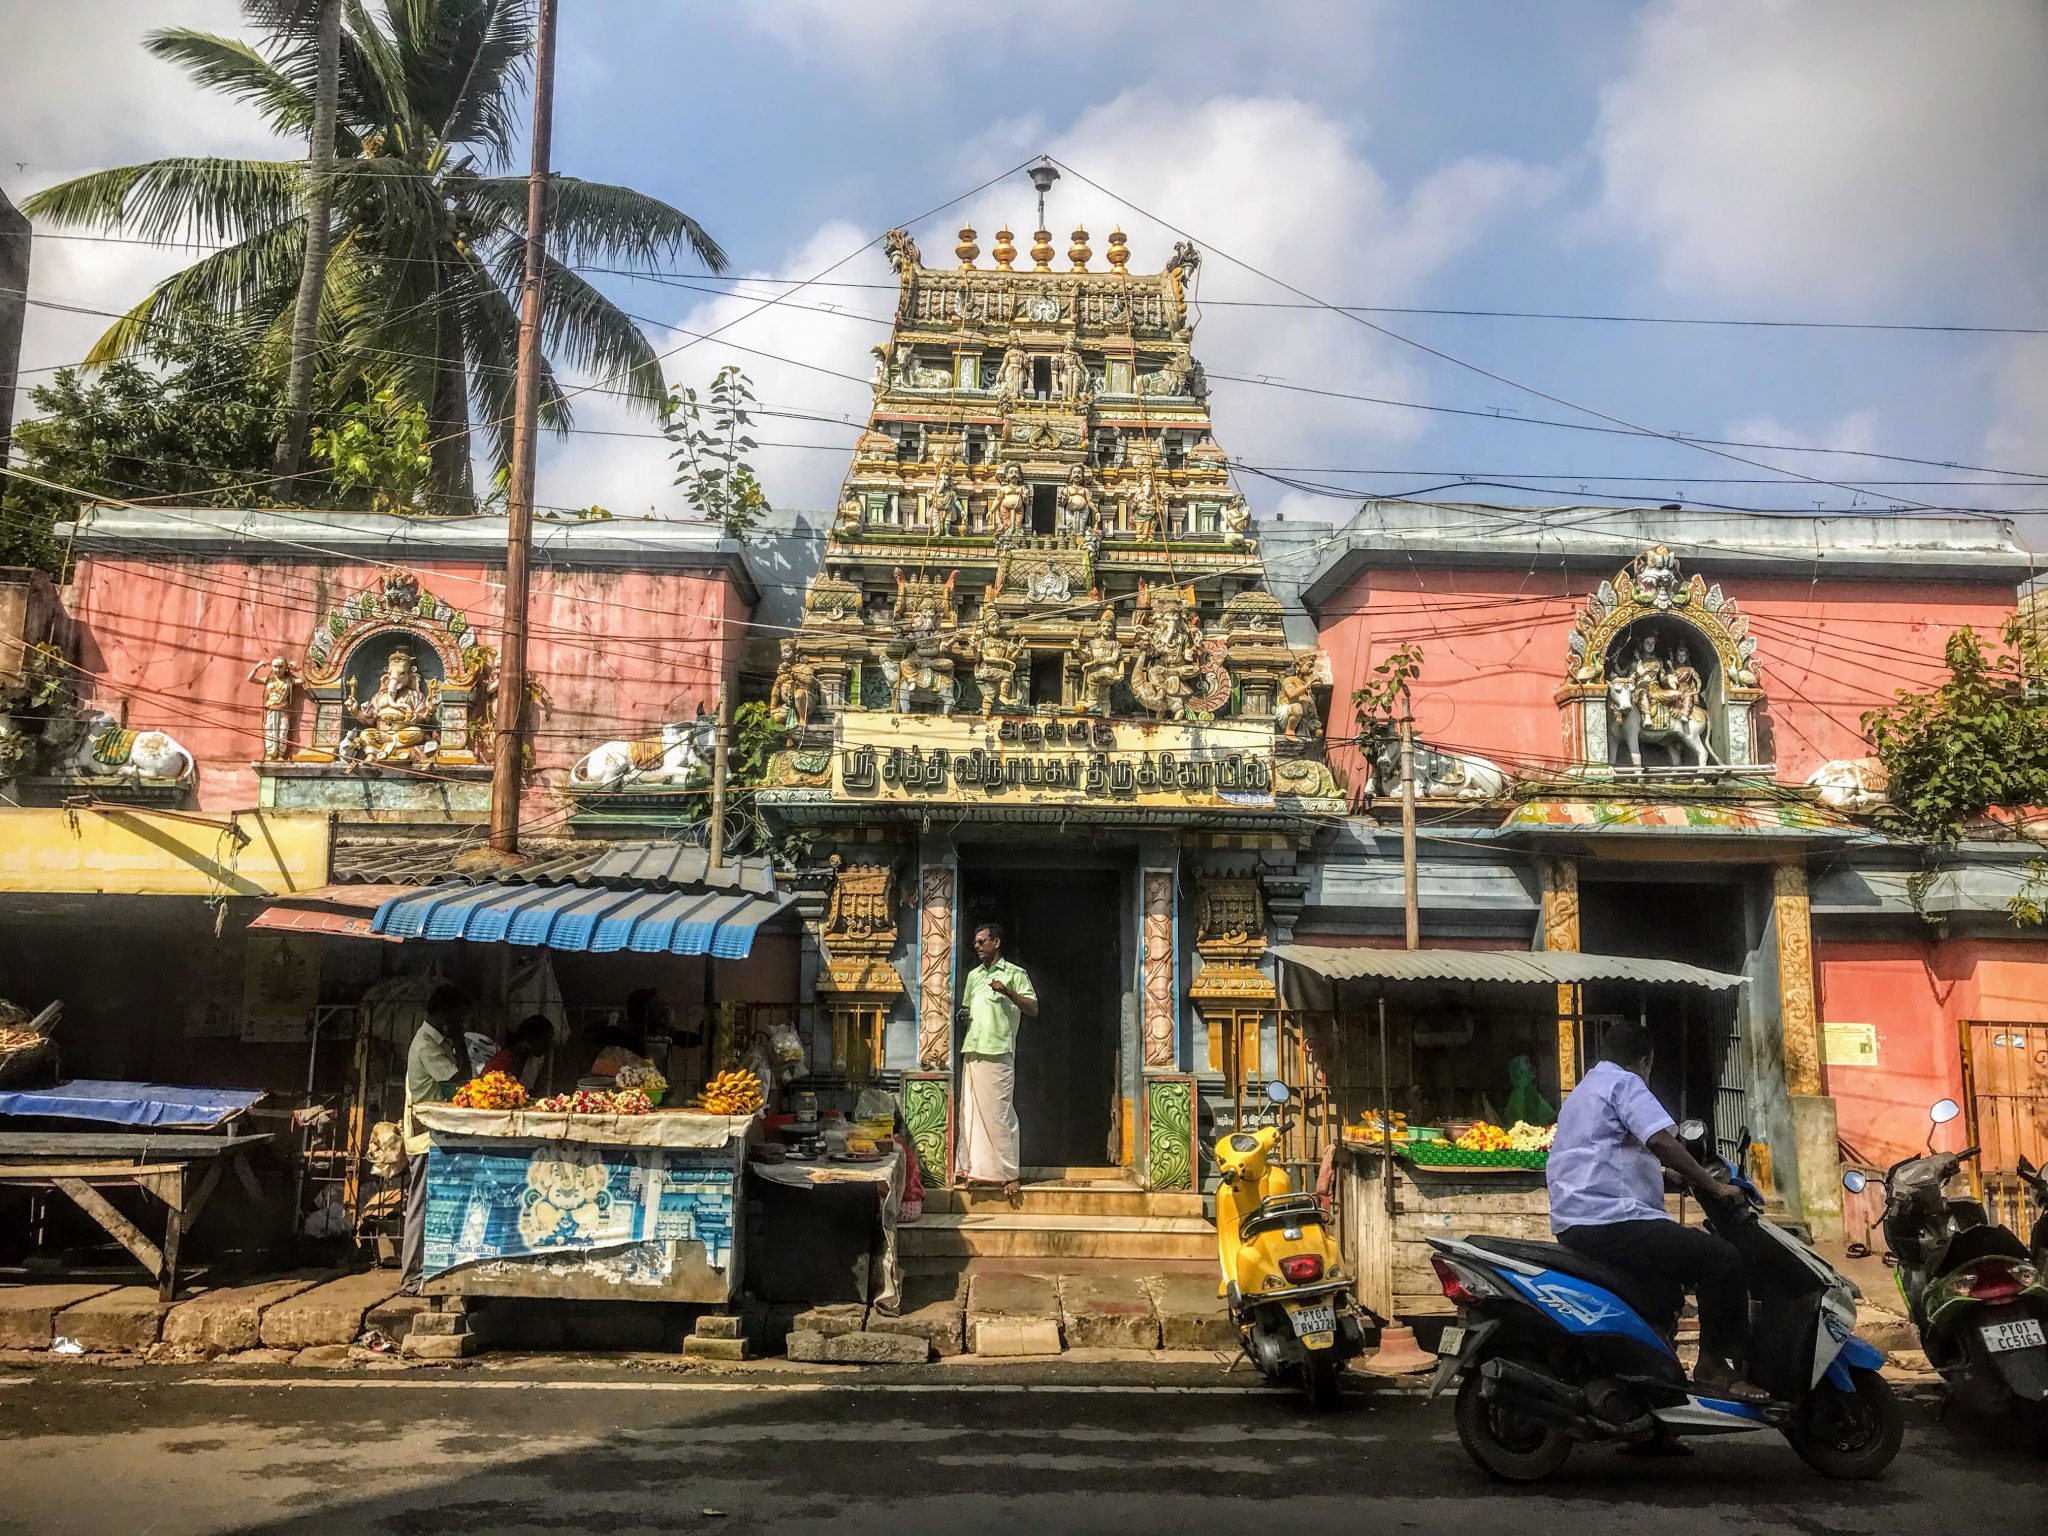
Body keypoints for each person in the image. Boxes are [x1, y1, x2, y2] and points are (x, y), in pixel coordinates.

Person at [1547, 1020, 1767, 1405]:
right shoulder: (1625, 1083)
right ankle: (1714, 1369)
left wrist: (1673, 1179)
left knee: (1663, 1294)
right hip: (1612, 1221)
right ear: (1646, 1060)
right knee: (1722, 1260)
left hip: (1580, 1222)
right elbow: (1661, 1141)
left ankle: (1649, 1403)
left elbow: (1606, 1159)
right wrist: (1713, 1184)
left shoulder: (1583, 1092)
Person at [953, 922, 1037, 1201]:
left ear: (996, 942)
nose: (977, 947)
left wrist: (1007, 991)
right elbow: (966, 1009)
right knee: (971, 1113)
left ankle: (1010, 1174)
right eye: (975, 942)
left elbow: (1033, 1008)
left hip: (999, 1051)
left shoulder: (1015, 973)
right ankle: (974, 1171)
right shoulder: (974, 976)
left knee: (1000, 1114)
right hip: (973, 1048)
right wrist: (963, 1016)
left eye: (982, 941)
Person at [400, 984, 471, 1296]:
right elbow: (461, 1081)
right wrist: (459, 1040)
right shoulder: (428, 1045)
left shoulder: (431, 1040)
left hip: (436, 1135)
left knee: (432, 1205)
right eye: (459, 1016)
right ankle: (411, 1279)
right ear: (447, 1015)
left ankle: (430, 1271)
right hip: (427, 1139)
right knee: (421, 1206)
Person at [483, 1014, 553, 1091]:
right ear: (530, 1039)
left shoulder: (534, 1060)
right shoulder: (503, 1061)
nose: (547, 1047)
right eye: (545, 1042)